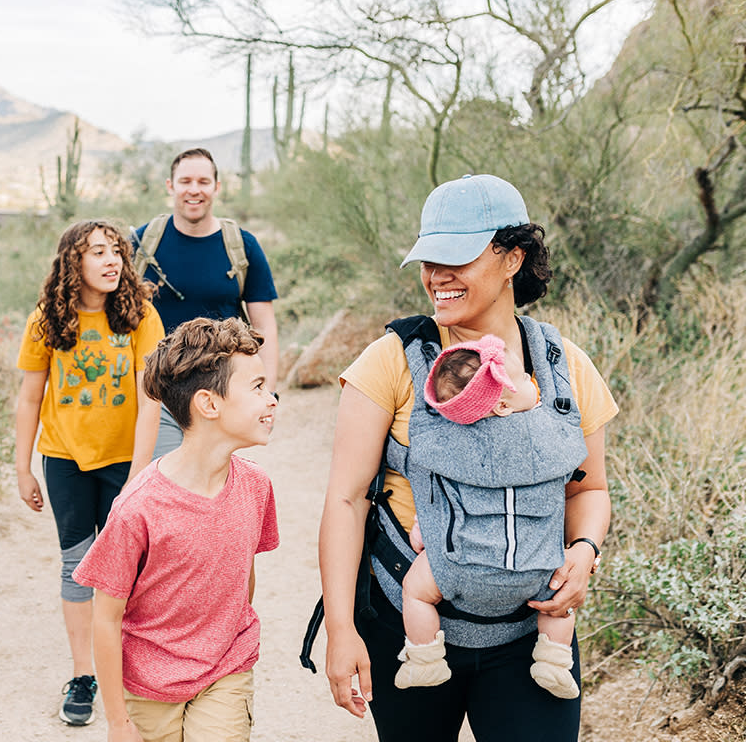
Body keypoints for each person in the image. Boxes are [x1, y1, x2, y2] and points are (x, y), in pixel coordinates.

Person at [317, 174, 618, 741]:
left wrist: (584, 551)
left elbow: (588, 489)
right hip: (408, 631)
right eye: (429, 259)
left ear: (512, 259)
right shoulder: (393, 360)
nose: (436, 277)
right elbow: (346, 499)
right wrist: (340, 629)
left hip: (531, 638)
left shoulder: (563, 367)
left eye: (457, 257)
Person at [73, 317, 279, 742]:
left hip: (226, 669)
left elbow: (244, 575)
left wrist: (228, 638)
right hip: (147, 688)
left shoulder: (256, 486)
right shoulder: (138, 507)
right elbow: (106, 618)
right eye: (257, 387)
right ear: (209, 404)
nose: (272, 398)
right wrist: (117, 722)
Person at [14, 220, 165, 727]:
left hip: (127, 462)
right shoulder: (47, 320)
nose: (111, 260)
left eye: (116, 251)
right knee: (77, 564)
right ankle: (85, 675)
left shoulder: (140, 315)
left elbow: (151, 400)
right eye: (97, 252)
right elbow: (30, 397)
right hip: (66, 461)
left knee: (132, 572)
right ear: (72, 262)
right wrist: (23, 467)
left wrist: (140, 472)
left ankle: (136, 667)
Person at [397, 334, 582, 700]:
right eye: (527, 381)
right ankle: (554, 660)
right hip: (538, 569)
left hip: (461, 568)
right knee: (558, 606)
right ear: (500, 405)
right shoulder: (553, 437)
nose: (534, 384)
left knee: (416, 593)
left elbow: (433, 499)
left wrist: (424, 534)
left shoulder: (445, 442)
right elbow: (575, 473)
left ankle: (425, 659)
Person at [132, 148, 279, 459]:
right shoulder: (143, 244)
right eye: (185, 181)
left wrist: (266, 392)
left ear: (217, 186)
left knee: (220, 483)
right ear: (170, 186)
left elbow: (264, 325)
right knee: (170, 484)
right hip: (159, 392)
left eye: (203, 181)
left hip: (225, 392)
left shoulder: (243, 246)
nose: (194, 189)